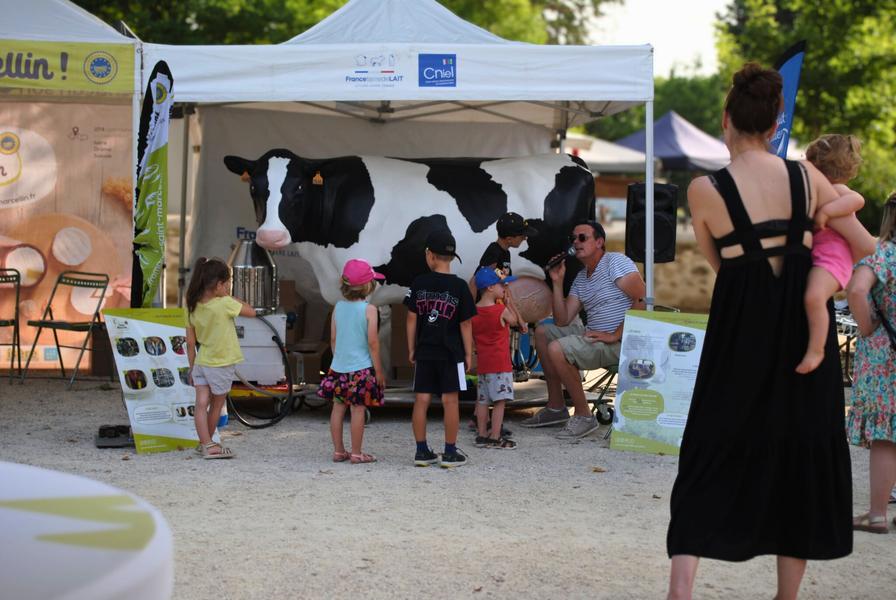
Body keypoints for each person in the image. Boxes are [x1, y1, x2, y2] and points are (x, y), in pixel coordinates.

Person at [666, 63, 853, 600]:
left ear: (726, 119)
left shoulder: (704, 189)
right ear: (775, 125)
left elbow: (721, 265)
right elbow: (862, 242)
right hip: (800, 332)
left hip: (738, 330)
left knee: (708, 446)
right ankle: (785, 596)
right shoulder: (806, 177)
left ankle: (682, 588)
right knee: (798, 449)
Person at [520, 220, 645, 439]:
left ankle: (584, 415)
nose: (576, 242)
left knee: (558, 348)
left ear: (599, 242)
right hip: (597, 339)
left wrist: (616, 334)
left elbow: (643, 298)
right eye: (573, 239)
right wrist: (557, 282)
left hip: (623, 343)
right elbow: (562, 320)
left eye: (582, 238)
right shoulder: (581, 277)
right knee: (542, 332)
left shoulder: (615, 262)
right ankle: (556, 407)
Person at [796, 134, 877, 373]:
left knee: (814, 297)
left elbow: (857, 200)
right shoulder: (814, 189)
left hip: (833, 259)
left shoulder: (837, 190)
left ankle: (817, 349)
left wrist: (827, 211)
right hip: (824, 257)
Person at [846, 193, 896, 533]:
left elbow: (855, 290)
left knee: (885, 436)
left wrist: (866, 326)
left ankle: (877, 514)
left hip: (885, 354)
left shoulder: (884, 255)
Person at [405, 229, 477, 468]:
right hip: (452, 353)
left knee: (421, 400)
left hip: (425, 351)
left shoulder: (418, 283)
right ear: (452, 257)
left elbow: (411, 319)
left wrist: (411, 348)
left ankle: (421, 451)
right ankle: (449, 452)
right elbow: (465, 323)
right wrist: (468, 353)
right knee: (451, 402)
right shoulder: (459, 287)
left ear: (430, 255)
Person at [466, 211, 536, 434]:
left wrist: (521, 317)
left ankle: (480, 420)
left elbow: (505, 291)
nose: (524, 239)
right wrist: (470, 311)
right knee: (494, 370)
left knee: (491, 370)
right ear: (508, 238)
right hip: (489, 316)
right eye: (521, 235)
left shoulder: (505, 254)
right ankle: (486, 423)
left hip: (497, 311)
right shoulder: (493, 254)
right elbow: (475, 281)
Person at [185, 257, 256, 459]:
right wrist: (230, 296)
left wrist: (191, 368)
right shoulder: (225, 303)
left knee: (200, 404)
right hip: (221, 362)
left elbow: (190, 343)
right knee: (216, 405)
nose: (227, 287)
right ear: (219, 285)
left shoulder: (191, 305)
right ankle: (210, 444)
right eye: (226, 284)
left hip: (201, 362)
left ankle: (204, 443)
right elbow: (251, 312)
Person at [317, 259, 386, 464]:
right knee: (358, 409)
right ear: (368, 286)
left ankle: (339, 451)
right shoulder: (370, 310)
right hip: (361, 369)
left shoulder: (337, 307)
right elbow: (373, 343)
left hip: (338, 367)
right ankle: (357, 453)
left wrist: (339, 359)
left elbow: (333, 339)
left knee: (338, 408)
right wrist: (379, 370)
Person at [471, 266, 519, 450]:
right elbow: (514, 321)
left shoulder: (474, 312)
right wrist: (507, 303)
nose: (504, 288)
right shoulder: (500, 310)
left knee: (482, 400)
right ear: (490, 288)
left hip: (484, 363)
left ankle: (482, 435)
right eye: (501, 285)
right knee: (500, 401)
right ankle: (495, 436)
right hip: (500, 364)